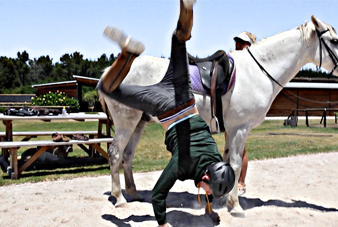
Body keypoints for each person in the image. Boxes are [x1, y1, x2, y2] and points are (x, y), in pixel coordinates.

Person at [97, 1, 235, 226]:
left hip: (184, 95)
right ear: (208, 177)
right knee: (106, 88)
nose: (211, 194)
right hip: (164, 107)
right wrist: (162, 224)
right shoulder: (182, 165)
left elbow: (210, 185)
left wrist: (209, 212)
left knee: (178, 39)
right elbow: (159, 195)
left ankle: (186, 8)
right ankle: (128, 55)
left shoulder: (216, 162)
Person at [233, 31, 256, 196]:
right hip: (231, 110)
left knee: (240, 148)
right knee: (233, 148)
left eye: (242, 42)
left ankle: (241, 183)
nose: (238, 44)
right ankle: (232, 182)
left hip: (241, 111)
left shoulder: (251, 64)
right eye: (237, 41)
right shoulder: (234, 59)